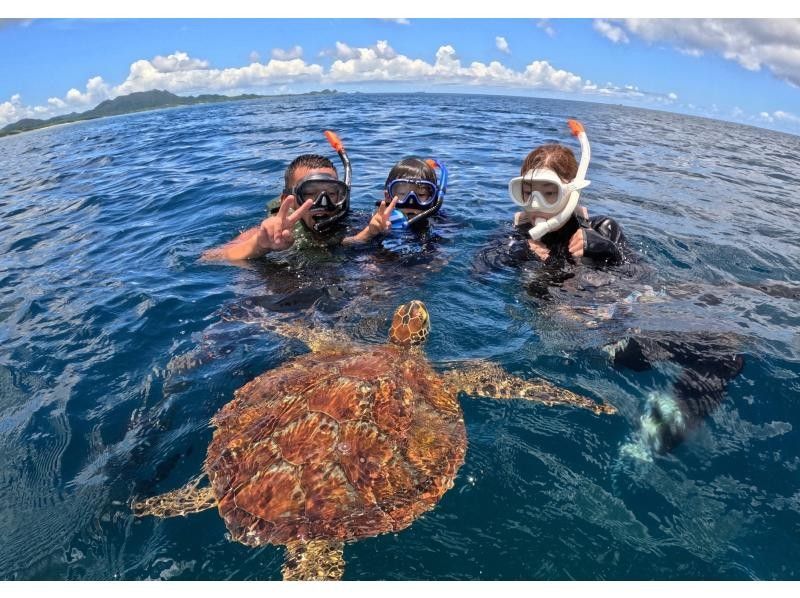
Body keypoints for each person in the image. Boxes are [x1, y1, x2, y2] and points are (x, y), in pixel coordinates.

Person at [202, 131, 355, 261]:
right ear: (286, 201)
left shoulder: (353, 224)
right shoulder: (267, 233)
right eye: (309, 193)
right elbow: (209, 257)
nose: (323, 202)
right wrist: (259, 245)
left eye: (332, 193)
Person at [508, 119, 628, 266]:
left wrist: (610, 251)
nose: (535, 204)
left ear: (572, 192)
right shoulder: (517, 234)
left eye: (550, 193)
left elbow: (642, 279)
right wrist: (514, 252)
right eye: (527, 192)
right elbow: (478, 273)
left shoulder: (603, 228)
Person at [343, 156, 448, 245]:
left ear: (432, 198)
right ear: (388, 196)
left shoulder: (438, 221)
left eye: (421, 194)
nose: (411, 202)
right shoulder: (373, 220)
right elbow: (344, 244)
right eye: (402, 194)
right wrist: (369, 233)